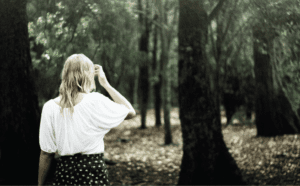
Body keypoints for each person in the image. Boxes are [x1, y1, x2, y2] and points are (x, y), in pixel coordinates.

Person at [38, 54, 136, 186]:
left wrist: (39, 184)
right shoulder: (94, 100)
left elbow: (46, 153)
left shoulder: (49, 107)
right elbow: (130, 112)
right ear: (87, 75)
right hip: (93, 171)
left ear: (65, 74)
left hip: (65, 172)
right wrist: (105, 84)